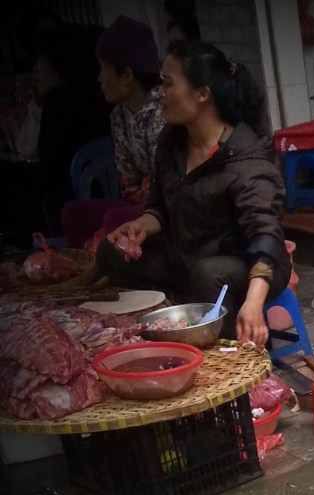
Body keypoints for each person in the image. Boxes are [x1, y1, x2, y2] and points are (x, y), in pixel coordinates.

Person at [93, 39, 289, 346]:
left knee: (208, 273)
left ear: (202, 94)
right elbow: (159, 204)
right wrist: (141, 226)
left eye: (168, 84)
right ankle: (160, 325)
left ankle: (225, 357)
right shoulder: (172, 142)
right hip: (186, 257)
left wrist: (253, 304)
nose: (160, 93)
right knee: (110, 251)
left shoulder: (246, 161)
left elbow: (265, 238)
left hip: (249, 265)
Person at [60, 15, 165, 249]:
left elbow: (166, 183)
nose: (99, 77)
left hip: (167, 208)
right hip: (143, 203)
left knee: (115, 220)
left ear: (126, 75)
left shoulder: (164, 110)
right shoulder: (119, 115)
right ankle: (86, 277)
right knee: (73, 213)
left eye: (104, 68)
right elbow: (128, 178)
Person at [0, 21, 110, 243]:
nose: (35, 70)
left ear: (56, 63)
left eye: (39, 61)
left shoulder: (59, 101)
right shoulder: (97, 93)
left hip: (64, 203)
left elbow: (46, 177)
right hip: (101, 192)